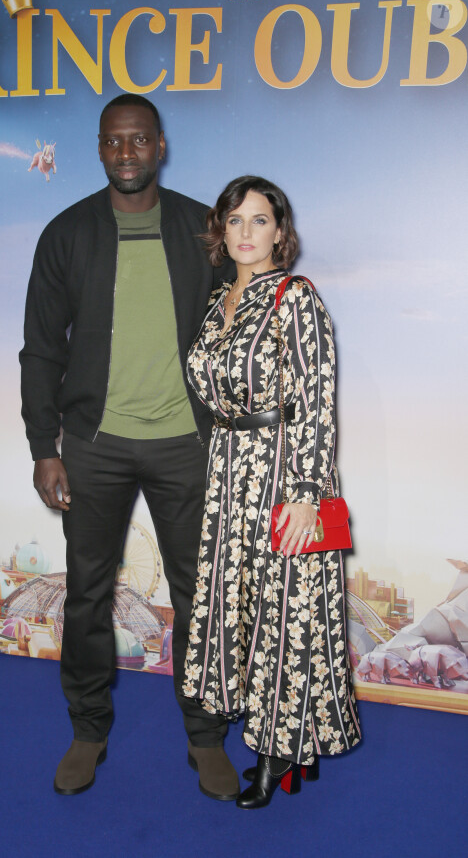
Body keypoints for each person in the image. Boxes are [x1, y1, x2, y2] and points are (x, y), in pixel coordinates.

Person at [19, 94, 239, 801]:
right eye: (114, 142)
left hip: (187, 446)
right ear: (100, 148)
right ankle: (87, 731)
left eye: (139, 140)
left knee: (199, 598)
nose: (126, 153)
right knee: (86, 597)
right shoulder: (67, 233)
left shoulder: (202, 231)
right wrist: (43, 446)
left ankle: (205, 738)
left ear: (160, 146)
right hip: (94, 447)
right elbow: (40, 351)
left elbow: (239, 333)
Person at [182, 176, 362, 810]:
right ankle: (292, 745)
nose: (247, 233)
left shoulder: (296, 298)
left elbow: (318, 402)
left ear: (280, 232)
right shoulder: (216, 305)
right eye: (235, 221)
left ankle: (277, 749)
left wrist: (309, 494)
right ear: (220, 231)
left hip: (288, 474)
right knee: (246, 609)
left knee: (286, 617)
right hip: (230, 472)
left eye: (260, 221)